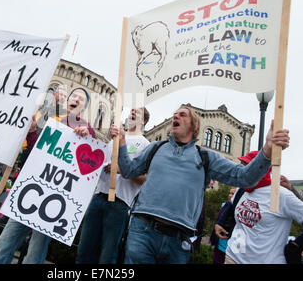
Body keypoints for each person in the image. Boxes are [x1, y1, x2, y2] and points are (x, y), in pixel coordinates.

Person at [110, 105, 291, 264]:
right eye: (175, 114)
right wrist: (122, 141)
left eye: (182, 115)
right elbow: (128, 171)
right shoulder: (155, 148)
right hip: (143, 230)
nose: (175, 116)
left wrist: (267, 149)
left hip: (179, 239)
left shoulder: (206, 157)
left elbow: (244, 178)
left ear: (194, 126)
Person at [0, 87, 95, 264]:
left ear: (84, 107)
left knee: (35, 252)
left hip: (53, 202)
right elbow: (35, 152)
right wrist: (31, 132)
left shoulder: (87, 129)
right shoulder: (51, 120)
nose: (76, 99)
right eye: (74, 95)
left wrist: (87, 138)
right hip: (30, 192)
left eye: (81, 98)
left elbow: (88, 163)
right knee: (6, 242)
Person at [76, 107, 151, 264]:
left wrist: (122, 169)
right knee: (84, 250)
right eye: (131, 110)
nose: (132, 113)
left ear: (143, 121)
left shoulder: (145, 145)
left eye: (136, 112)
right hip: (98, 198)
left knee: (107, 255)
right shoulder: (112, 140)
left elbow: (146, 178)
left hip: (120, 203)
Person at [224, 152, 303, 264]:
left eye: (246, 165)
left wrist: (297, 245)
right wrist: (220, 222)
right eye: (242, 164)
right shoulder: (243, 189)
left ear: (261, 168)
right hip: (232, 258)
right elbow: (230, 208)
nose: (242, 170)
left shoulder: (282, 195)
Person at [210, 187, 236, 264]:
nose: (230, 195)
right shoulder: (224, 206)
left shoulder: (239, 211)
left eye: (233, 194)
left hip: (232, 247)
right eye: (230, 193)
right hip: (220, 244)